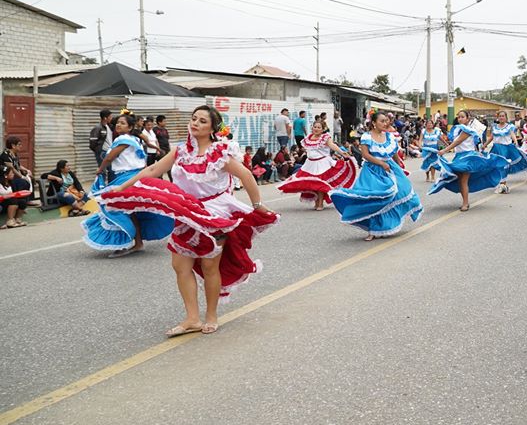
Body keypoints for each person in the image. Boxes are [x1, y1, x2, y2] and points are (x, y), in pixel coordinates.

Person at [100, 105, 278, 336]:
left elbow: (245, 174)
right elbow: (153, 169)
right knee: (180, 266)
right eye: (194, 119)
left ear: (213, 128)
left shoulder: (219, 152)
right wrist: (122, 188)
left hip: (215, 214)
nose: (195, 123)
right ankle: (192, 318)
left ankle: (211, 316)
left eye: (202, 121)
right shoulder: (181, 151)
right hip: (185, 212)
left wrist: (257, 205)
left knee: (209, 265)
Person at [83, 114, 175, 258]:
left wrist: (100, 169)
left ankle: (123, 243)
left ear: (130, 127)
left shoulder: (122, 139)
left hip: (126, 178)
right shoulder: (135, 139)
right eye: (117, 123)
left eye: (122, 123)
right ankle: (137, 243)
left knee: (115, 207)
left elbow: (109, 157)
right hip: (135, 176)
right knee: (130, 211)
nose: (118, 125)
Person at [330, 111, 422, 241]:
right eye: (382, 121)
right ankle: (372, 230)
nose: (385, 123)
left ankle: (384, 226)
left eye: (386, 121)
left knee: (401, 192)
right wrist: (381, 163)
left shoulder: (389, 137)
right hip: (372, 171)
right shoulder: (367, 137)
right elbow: (365, 155)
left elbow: (394, 153)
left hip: (389, 168)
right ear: (374, 123)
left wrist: (399, 167)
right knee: (374, 199)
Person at [430, 110, 509, 212]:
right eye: (459, 117)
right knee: (460, 180)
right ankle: (465, 201)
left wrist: (445, 150)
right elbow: (460, 142)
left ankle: (465, 203)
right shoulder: (458, 130)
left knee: (463, 180)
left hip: (467, 157)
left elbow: (458, 142)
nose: (460, 119)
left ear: (468, 119)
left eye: (462, 117)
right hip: (459, 157)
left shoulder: (467, 130)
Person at [278, 121, 357, 210]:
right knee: (312, 184)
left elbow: (332, 145)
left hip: (322, 164)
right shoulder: (308, 138)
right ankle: (317, 202)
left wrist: (342, 152)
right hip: (310, 164)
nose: (316, 129)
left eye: (319, 127)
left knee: (320, 183)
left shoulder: (325, 137)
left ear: (323, 129)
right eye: (315, 127)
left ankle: (320, 203)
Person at [484, 110, 527, 193]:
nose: (501, 118)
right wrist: (485, 145)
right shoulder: (494, 127)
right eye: (500, 116)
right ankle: (502, 185)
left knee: (503, 166)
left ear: (506, 118)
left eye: (503, 116)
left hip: (506, 149)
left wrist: (515, 141)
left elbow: (513, 135)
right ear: (497, 117)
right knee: (496, 167)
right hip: (496, 149)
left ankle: (503, 184)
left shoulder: (509, 127)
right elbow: (492, 137)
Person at [0, 136, 36, 203]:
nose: (21, 146)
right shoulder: (6, 155)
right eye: (19, 144)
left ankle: (28, 199)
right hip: (8, 178)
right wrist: (22, 177)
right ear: (13, 146)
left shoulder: (14, 154)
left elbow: (18, 166)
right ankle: (21, 200)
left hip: (15, 175)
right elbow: (12, 168)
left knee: (30, 178)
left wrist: (27, 170)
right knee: (23, 182)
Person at [420, 118, 447, 183]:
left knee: (433, 163)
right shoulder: (423, 131)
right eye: (428, 123)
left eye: (430, 123)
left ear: (433, 124)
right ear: (426, 124)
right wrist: (420, 146)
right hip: (426, 149)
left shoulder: (436, 131)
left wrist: (446, 143)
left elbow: (440, 138)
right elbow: (420, 139)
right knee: (427, 162)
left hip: (434, 148)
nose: (429, 125)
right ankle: (427, 176)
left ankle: (432, 177)